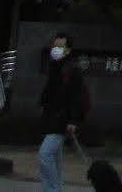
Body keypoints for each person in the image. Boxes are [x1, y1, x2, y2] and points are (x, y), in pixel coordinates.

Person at [38, 33, 87, 192]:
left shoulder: (72, 70)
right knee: (55, 158)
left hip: (62, 119)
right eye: (55, 46)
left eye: (60, 46)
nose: (56, 49)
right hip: (51, 117)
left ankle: (52, 190)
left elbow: (77, 97)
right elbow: (50, 92)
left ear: (68, 50)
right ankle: (54, 188)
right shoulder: (54, 67)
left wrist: (73, 120)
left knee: (45, 155)